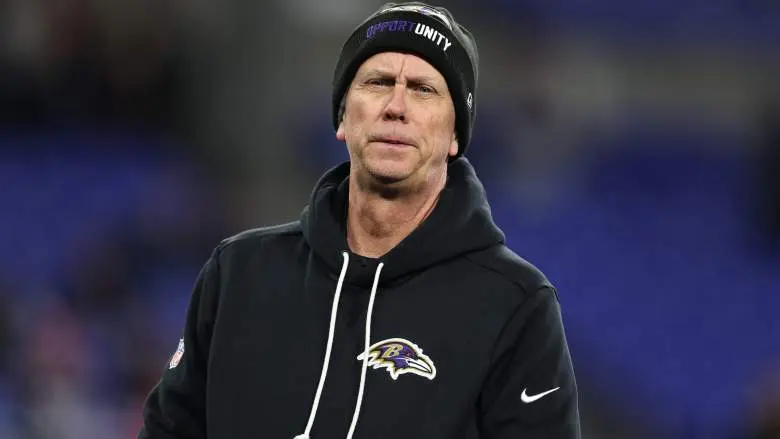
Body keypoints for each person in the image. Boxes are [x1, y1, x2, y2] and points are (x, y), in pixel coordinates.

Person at [138, 2, 580, 438]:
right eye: (378, 82)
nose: (396, 106)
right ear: (343, 118)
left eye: (423, 89)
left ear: (454, 135)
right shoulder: (239, 273)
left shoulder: (514, 304)